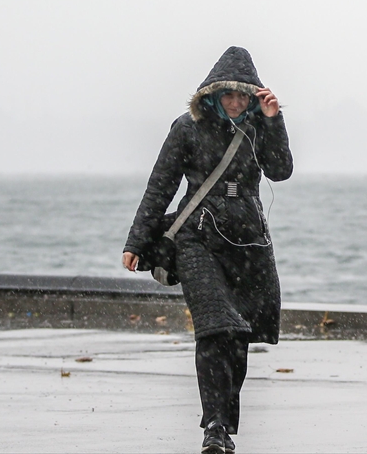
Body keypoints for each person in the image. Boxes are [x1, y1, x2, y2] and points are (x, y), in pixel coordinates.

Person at [123, 47, 293, 454]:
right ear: (213, 95)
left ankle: (225, 423)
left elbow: (280, 169)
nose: (235, 103)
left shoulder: (259, 125)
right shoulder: (187, 127)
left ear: (253, 96)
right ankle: (214, 425)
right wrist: (136, 240)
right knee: (216, 327)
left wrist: (275, 121)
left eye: (242, 96)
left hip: (249, 240)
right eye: (228, 95)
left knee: (238, 334)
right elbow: (160, 185)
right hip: (197, 237)